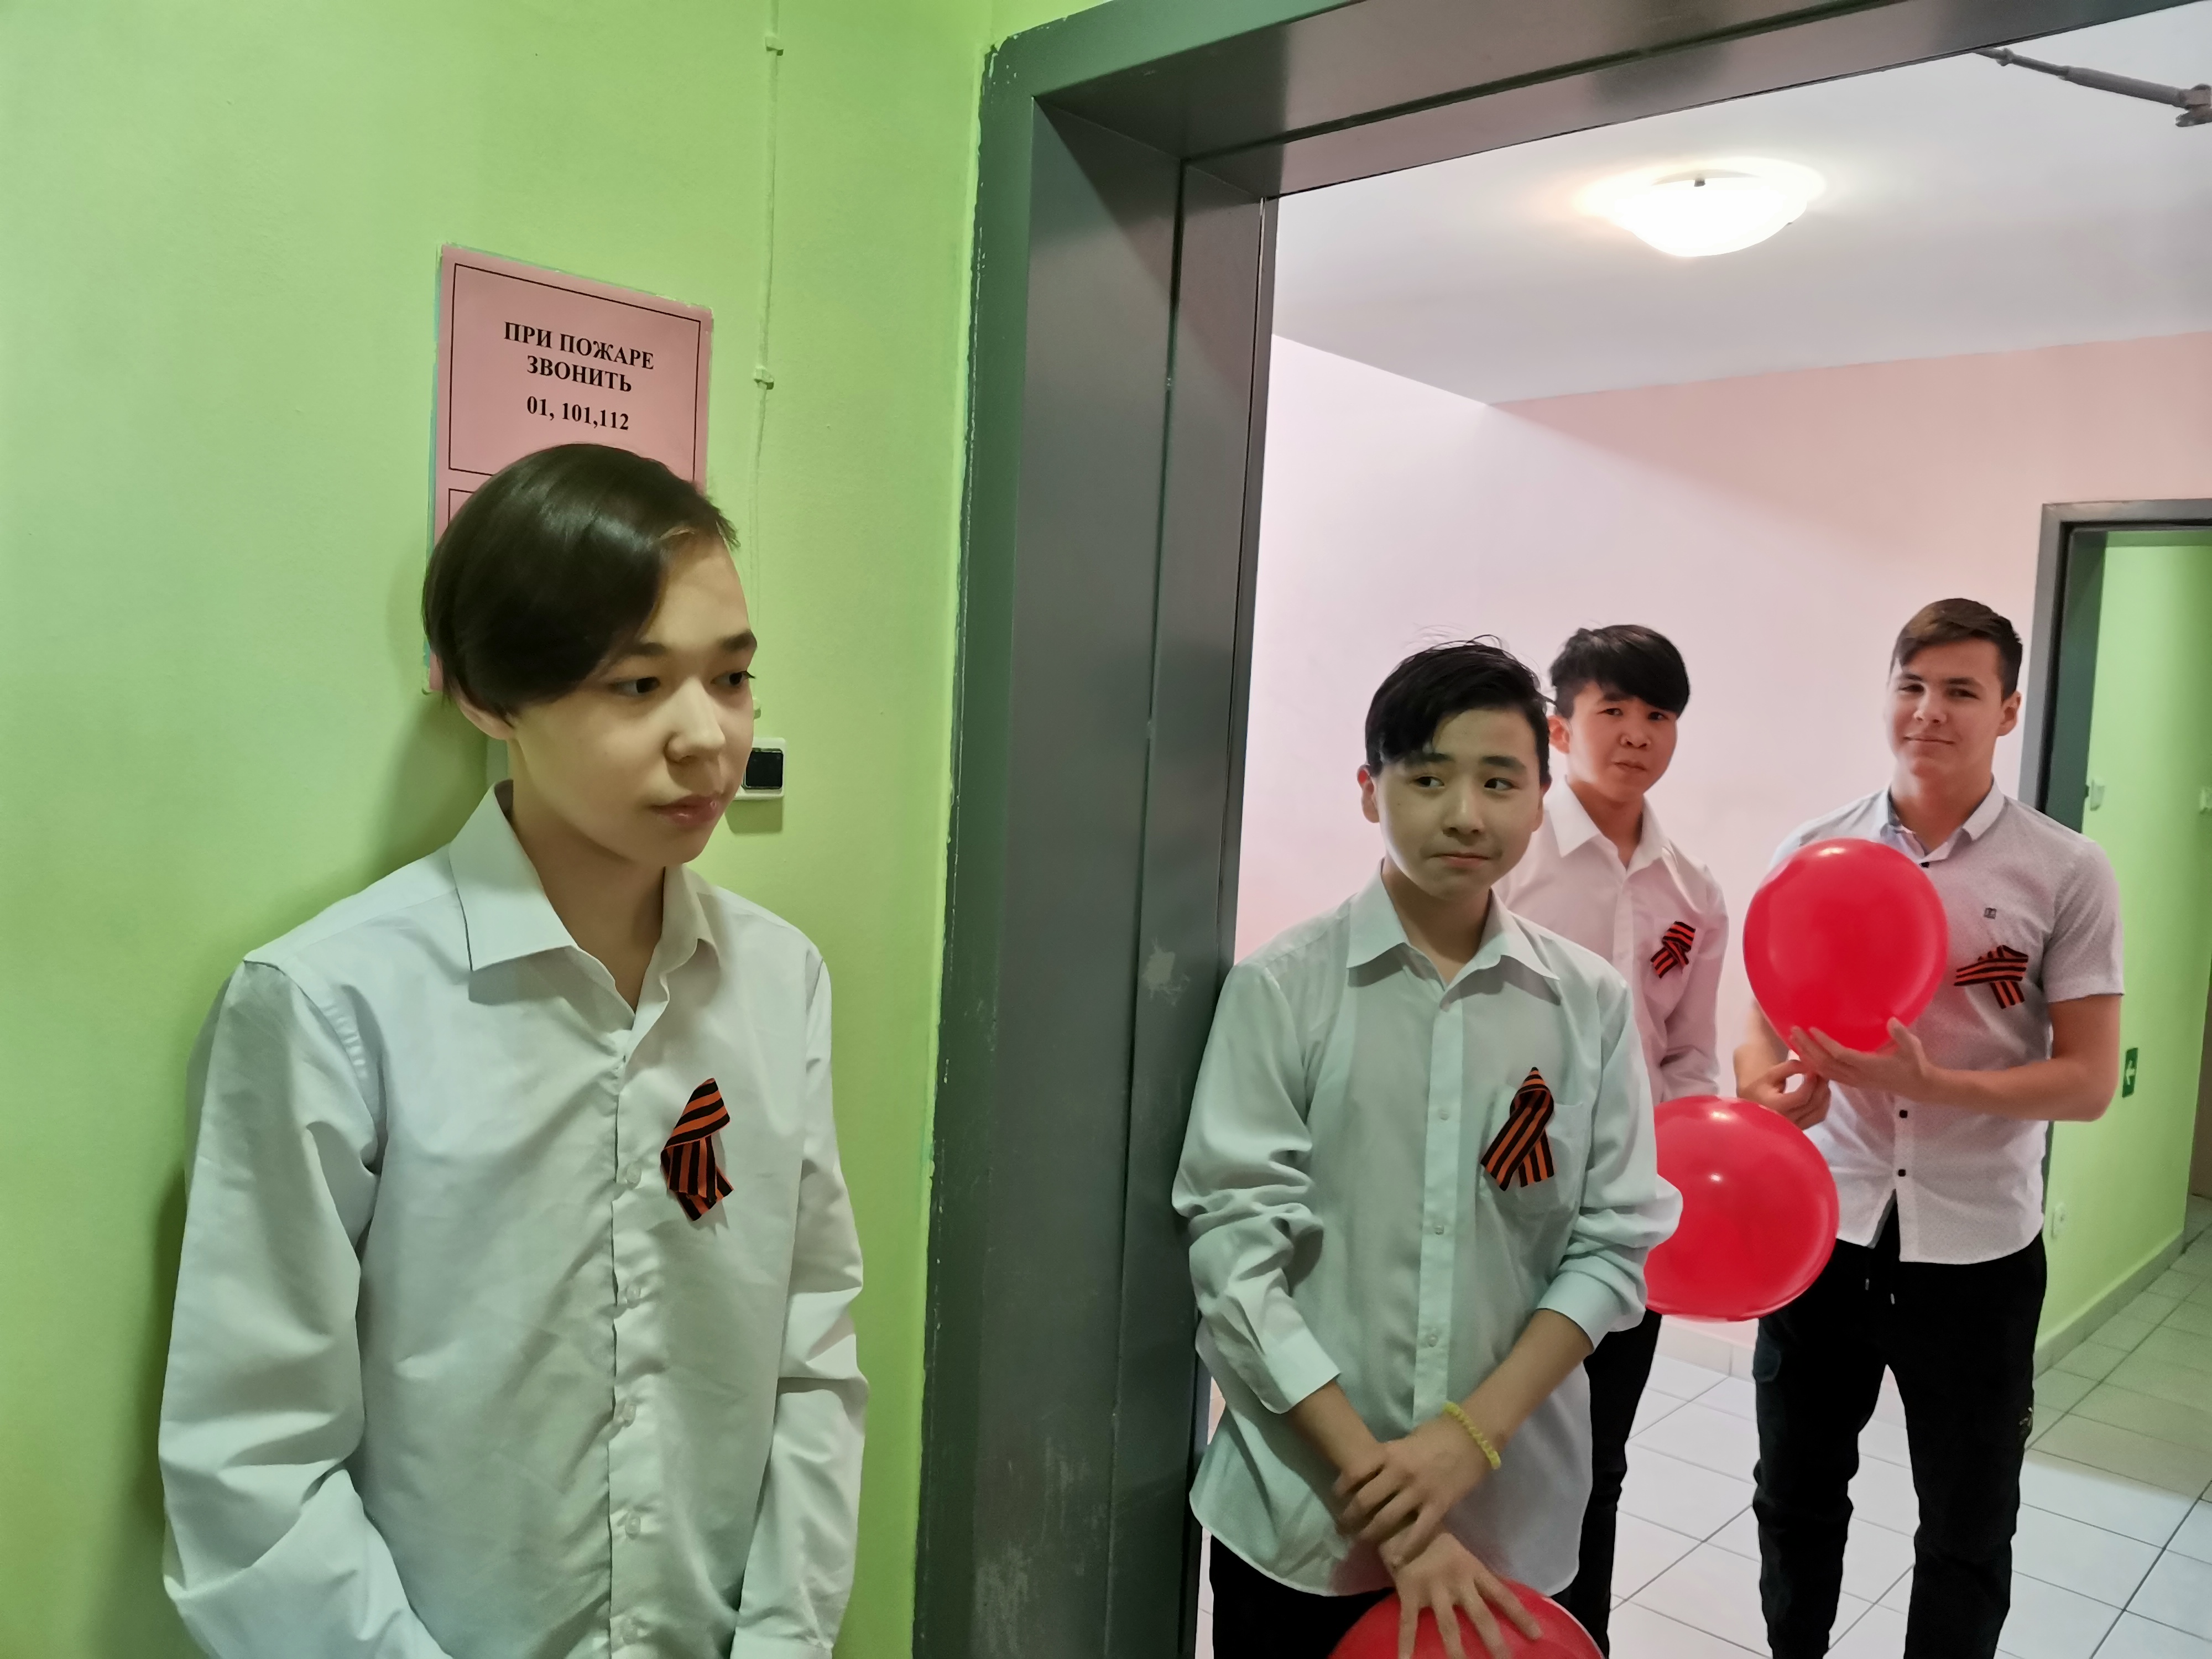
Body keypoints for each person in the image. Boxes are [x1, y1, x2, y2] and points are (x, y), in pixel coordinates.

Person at [159, 445, 867, 1659]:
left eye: (732, 677)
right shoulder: (334, 1006)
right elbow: (253, 1459)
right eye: (639, 685)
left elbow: (810, 1357)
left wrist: (782, 1642)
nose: (709, 737)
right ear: (489, 698)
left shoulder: (777, 981)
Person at [1175, 639, 1680, 1659]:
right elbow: (1235, 1259)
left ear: (1540, 798)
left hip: (1510, 1516)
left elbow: (1611, 1244)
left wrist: (1468, 1439)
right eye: (1428, 778)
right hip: (1303, 1517)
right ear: (1371, 790)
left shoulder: (1589, 1005)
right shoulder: (1283, 989)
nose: (1465, 814)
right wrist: (1393, 1503)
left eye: (1499, 782)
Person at [1735, 598, 2123, 1659]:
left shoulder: (2065, 871)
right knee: (1795, 1492)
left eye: (1960, 691)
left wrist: (1932, 1081)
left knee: (1967, 1524)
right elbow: (1762, 1018)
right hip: (1826, 1234)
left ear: (2008, 711)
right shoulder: (1812, 851)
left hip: (1978, 1253)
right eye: (1911, 686)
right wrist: (1767, 1084)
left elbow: (2089, 1082)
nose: (1929, 711)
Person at [1495, 625, 1725, 1654]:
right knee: (1484, 1445)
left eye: (1658, 714)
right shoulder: (1509, 860)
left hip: (1622, 1220)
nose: (1636, 734)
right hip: (1502, 1205)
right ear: (1560, 728)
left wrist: (1679, 1174)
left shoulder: (1693, 892)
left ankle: (1575, 1639)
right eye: (1612, 711)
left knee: (1601, 1457)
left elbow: (1691, 1056)